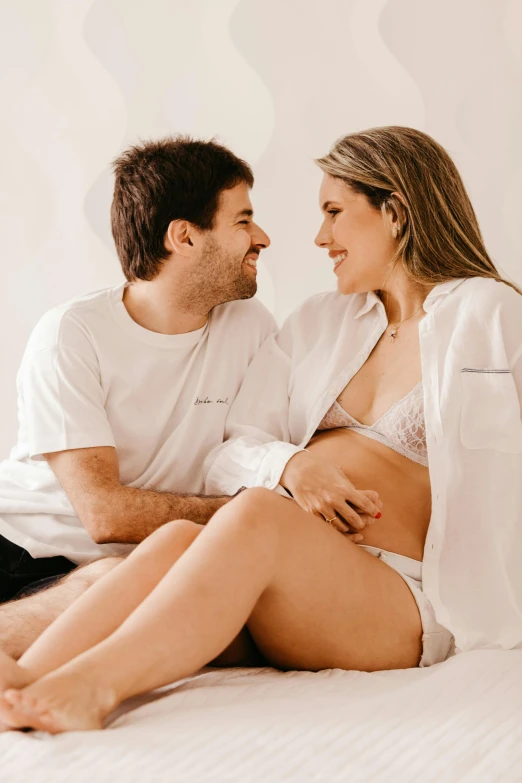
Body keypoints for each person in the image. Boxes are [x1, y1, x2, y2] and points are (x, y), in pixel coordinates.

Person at [1, 125, 521, 735]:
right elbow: (231, 450)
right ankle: (28, 680)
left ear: (397, 212)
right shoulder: (320, 322)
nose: (319, 237)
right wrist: (290, 466)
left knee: (254, 515)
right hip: (297, 573)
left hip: (402, 590)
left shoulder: (487, 313)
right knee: (174, 541)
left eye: (333, 212)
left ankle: (91, 688)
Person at [0, 136, 276, 661]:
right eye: (242, 220)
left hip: (137, 568)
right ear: (184, 237)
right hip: (22, 549)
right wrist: (251, 519)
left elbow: (263, 446)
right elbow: (104, 515)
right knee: (107, 579)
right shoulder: (73, 333)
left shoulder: (251, 329)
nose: (261, 237)